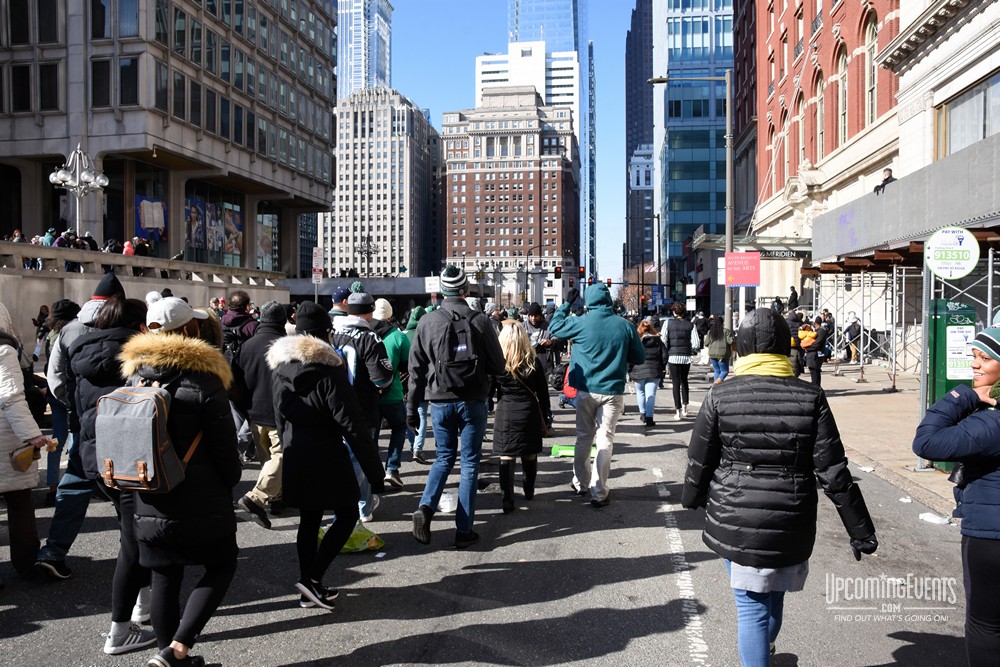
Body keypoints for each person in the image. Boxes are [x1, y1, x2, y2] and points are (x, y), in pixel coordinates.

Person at [682, 308, 878, 667]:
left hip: (735, 514)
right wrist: (860, 530)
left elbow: (700, 457)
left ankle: (759, 657)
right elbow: (833, 469)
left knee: (750, 606)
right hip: (792, 513)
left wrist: (691, 498)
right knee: (774, 595)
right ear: (784, 347)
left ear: (740, 347)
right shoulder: (810, 397)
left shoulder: (720, 395)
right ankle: (766, 650)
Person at [119, 297, 241, 667]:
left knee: (163, 575)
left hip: (147, 491)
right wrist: (231, 480)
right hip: (199, 495)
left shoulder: (135, 374)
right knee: (222, 565)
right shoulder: (205, 380)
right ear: (189, 330)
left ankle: (167, 655)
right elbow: (225, 449)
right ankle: (178, 649)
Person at [267, 301, 384, 610]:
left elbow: (278, 415)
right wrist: (375, 471)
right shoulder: (329, 369)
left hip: (295, 448)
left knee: (309, 518)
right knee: (346, 514)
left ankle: (309, 586)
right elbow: (352, 424)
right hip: (327, 451)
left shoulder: (279, 366)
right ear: (325, 333)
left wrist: (284, 443)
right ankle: (312, 579)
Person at [67, 294, 156, 655]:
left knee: (134, 534)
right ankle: (119, 630)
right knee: (133, 542)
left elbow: (71, 401)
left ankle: (143, 604)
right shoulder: (139, 354)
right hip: (135, 456)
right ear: (139, 324)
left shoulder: (80, 352)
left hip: (99, 458)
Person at [912, 327, 1000, 664]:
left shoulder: (992, 423)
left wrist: (964, 396)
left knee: (985, 625)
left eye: (986, 358)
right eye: (974, 357)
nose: (976, 366)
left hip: (990, 536)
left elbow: (927, 443)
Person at [37, 272, 127, 579]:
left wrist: (75, 405)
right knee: (127, 490)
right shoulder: (127, 329)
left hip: (83, 423)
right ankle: (133, 555)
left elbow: (56, 377)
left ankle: (53, 550)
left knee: (74, 483)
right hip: (124, 426)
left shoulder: (70, 329)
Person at [408, 266, 505, 548]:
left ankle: (426, 508)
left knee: (443, 457)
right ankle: (463, 530)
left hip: (438, 399)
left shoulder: (427, 322)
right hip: (473, 400)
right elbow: (499, 365)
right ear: (465, 291)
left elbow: (415, 369)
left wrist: (411, 407)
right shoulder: (482, 321)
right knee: (470, 462)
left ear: (441, 292)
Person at [549, 283, 645, 507]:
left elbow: (554, 327)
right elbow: (639, 357)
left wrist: (566, 304)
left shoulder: (580, 323)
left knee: (583, 437)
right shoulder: (625, 325)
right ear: (609, 301)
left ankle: (581, 483)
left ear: (589, 302)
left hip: (585, 389)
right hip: (612, 390)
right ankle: (599, 491)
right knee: (605, 439)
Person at [330, 284, 393, 523]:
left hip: (332, 406)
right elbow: (382, 376)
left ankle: (343, 503)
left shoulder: (331, 332)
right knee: (361, 457)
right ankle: (361, 507)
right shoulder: (369, 337)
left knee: (339, 457)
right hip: (362, 407)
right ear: (368, 312)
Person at [0, 302, 48, 585]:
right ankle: (27, 565)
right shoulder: (4, 351)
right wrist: (33, 435)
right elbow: (10, 399)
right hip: (6, 442)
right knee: (19, 503)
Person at [233, 301, 287, 529]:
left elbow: (234, 384)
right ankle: (256, 498)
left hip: (254, 413)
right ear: (282, 321)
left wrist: (245, 408)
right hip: (279, 414)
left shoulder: (246, 346)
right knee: (281, 457)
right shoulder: (286, 346)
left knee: (268, 458)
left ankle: (275, 500)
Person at [493, 321, 550, 514]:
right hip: (529, 411)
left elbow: (490, 391)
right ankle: (528, 488)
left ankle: (507, 498)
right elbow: (543, 392)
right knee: (529, 452)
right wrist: (547, 414)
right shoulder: (533, 361)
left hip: (506, 411)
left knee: (506, 454)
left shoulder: (498, 363)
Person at [372, 298, 410, 490]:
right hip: (393, 393)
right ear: (389, 315)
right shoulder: (398, 336)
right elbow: (406, 365)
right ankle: (392, 469)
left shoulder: (365, 334)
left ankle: (372, 473)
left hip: (369, 395)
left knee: (372, 435)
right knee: (399, 428)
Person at [661, 301, 700, 421]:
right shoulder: (691, 325)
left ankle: (677, 411)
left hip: (673, 356)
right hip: (686, 357)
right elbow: (696, 343)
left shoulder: (668, 323)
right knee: (684, 382)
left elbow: (663, 339)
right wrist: (690, 348)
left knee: (675, 383)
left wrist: (667, 350)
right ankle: (685, 407)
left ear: (673, 312)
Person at [403, 306, 431, 464]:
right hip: (424, 380)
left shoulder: (403, 334)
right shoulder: (426, 334)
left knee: (409, 412)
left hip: (405, 381)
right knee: (421, 413)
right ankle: (417, 448)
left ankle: (413, 443)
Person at [629, 319, 666, 427]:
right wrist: (662, 367)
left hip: (638, 370)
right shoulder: (658, 341)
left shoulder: (636, 341)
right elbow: (664, 355)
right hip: (654, 370)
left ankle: (643, 414)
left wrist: (629, 370)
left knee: (640, 393)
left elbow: (631, 356)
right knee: (651, 395)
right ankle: (649, 418)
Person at [705, 315, 736, 384]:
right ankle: (717, 383)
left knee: (717, 371)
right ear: (722, 323)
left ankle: (716, 386)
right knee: (724, 371)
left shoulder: (710, 331)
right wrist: (733, 337)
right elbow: (730, 341)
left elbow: (706, 343)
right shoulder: (726, 331)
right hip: (723, 354)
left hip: (712, 354)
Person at [803, 316, 830, 387]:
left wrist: (808, 348)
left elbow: (817, 344)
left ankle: (816, 388)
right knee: (815, 372)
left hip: (815, 355)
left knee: (814, 372)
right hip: (814, 354)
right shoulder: (818, 331)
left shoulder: (821, 331)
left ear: (814, 323)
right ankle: (816, 387)